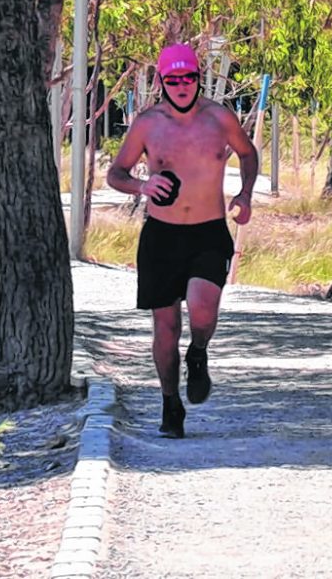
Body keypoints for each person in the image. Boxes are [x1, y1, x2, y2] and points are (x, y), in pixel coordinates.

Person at [107, 43, 258, 439]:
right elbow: (116, 174)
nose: (181, 86)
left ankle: (199, 351)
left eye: (188, 78)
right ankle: (171, 404)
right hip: (161, 237)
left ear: (198, 79)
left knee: (203, 310)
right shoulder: (147, 124)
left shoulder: (219, 118)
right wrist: (142, 185)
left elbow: (248, 152)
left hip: (209, 232)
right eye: (173, 80)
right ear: (162, 83)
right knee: (166, 326)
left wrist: (244, 195)